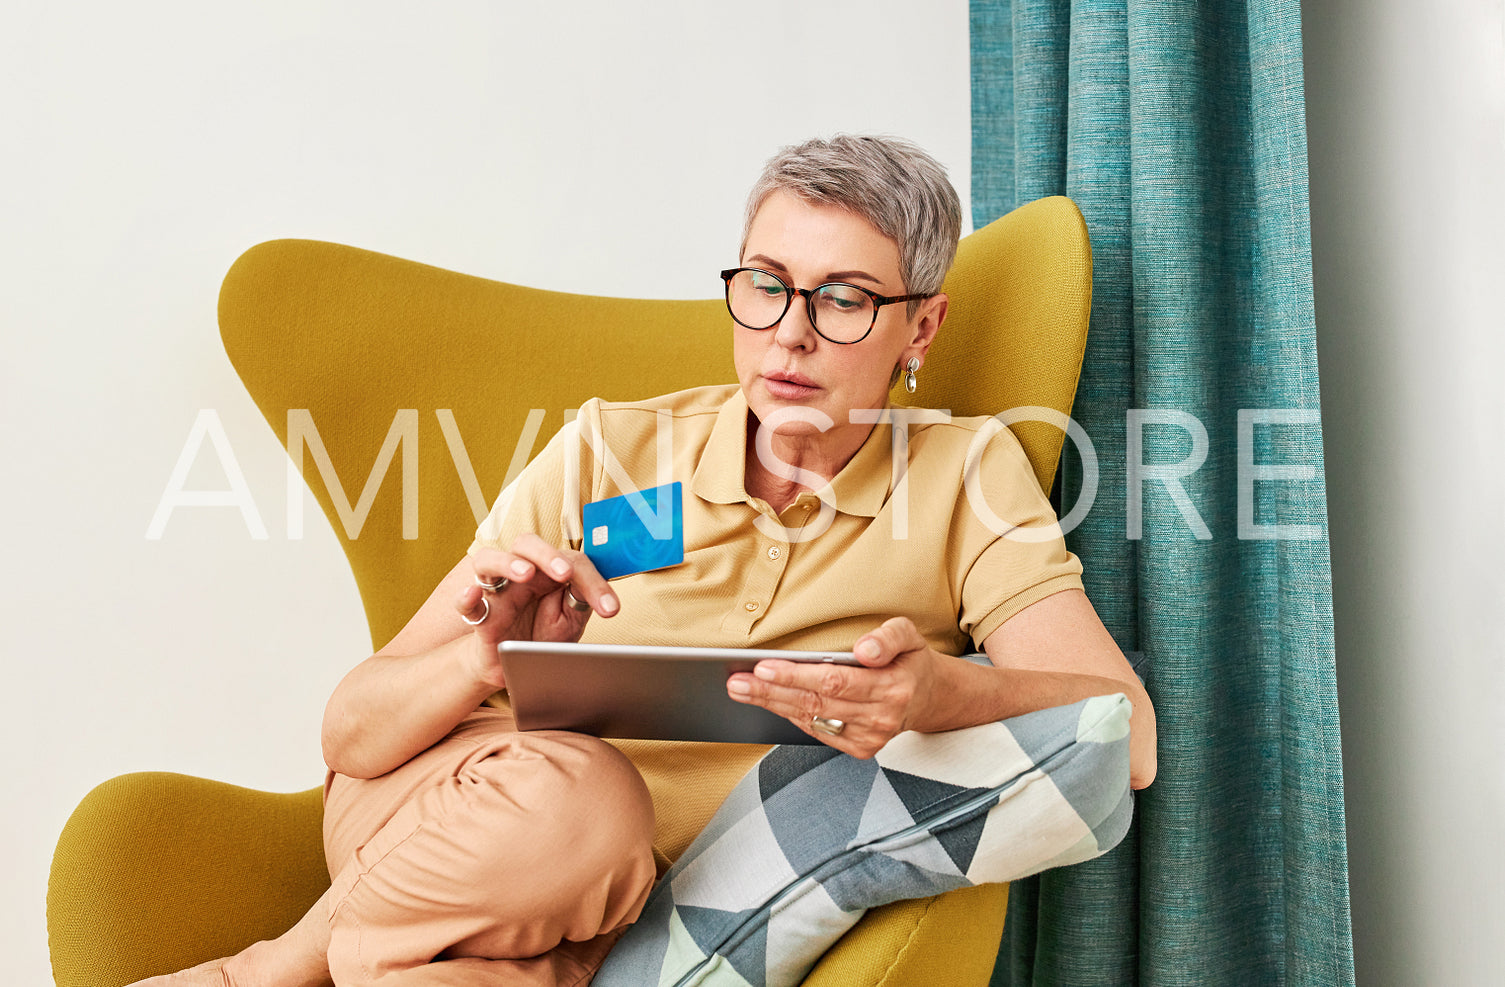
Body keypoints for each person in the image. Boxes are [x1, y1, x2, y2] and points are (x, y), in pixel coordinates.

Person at [140, 135, 1155, 987]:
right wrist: (476, 665)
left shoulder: (966, 474)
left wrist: (939, 696)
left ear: (917, 326)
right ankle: (268, 972)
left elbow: (1125, 734)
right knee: (581, 800)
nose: (788, 338)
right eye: (764, 288)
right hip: (448, 818)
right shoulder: (604, 447)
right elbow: (351, 734)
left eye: (841, 301)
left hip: (603, 928)